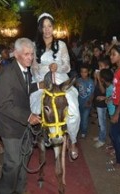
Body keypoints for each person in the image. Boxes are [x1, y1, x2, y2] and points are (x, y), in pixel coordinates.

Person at [0, 38, 42, 194]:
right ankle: (4, 191)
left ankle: (20, 189)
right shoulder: (7, 74)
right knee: (13, 163)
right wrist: (28, 117)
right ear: (16, 54)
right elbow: (4, 105)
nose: (30, 57)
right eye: (26, 54)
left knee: (24, 158)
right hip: (10, 126)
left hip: (22, 124)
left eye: (32, 54)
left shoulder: (23, 69)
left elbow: (23, 89)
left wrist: (38, 86)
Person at [30, 13, 80, 160]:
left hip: (60, 80)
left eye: (49, 26)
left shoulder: (62, 45)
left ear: (53, 27)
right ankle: (41, 136)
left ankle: (73, 140)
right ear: (40, 29)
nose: (47, 29)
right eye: (44, 27)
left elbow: (68, 66)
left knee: (73, 110)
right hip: (42, 81)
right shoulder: (34, 46)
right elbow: (33, 68)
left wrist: (57, 66)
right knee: (36, 107)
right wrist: (41, 75)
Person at [92, 57, 110, 148]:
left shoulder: (106, 77)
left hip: (103, 103)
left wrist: (99, 78)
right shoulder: (100, 76)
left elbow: (103, 91)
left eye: (101, 66)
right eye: (99, 66)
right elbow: (95, 87)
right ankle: (100, 136)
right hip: (98, 101)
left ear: (107, 67)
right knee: (100, 120)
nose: (99, 67)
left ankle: (102, 140)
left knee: (102, 122)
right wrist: (96, 79)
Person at [76, 64, 95, 138]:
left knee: (85, 118)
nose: (83, 73)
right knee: (79, 117)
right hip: (79, 103)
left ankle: (83, 132)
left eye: (85, 72)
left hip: (87, 104)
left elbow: (92, 93)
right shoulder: (78, 81)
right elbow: (76, 92)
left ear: (88, 72)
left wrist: (89, 101)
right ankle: (80, 129)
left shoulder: (91, 82)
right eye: (82, 72)